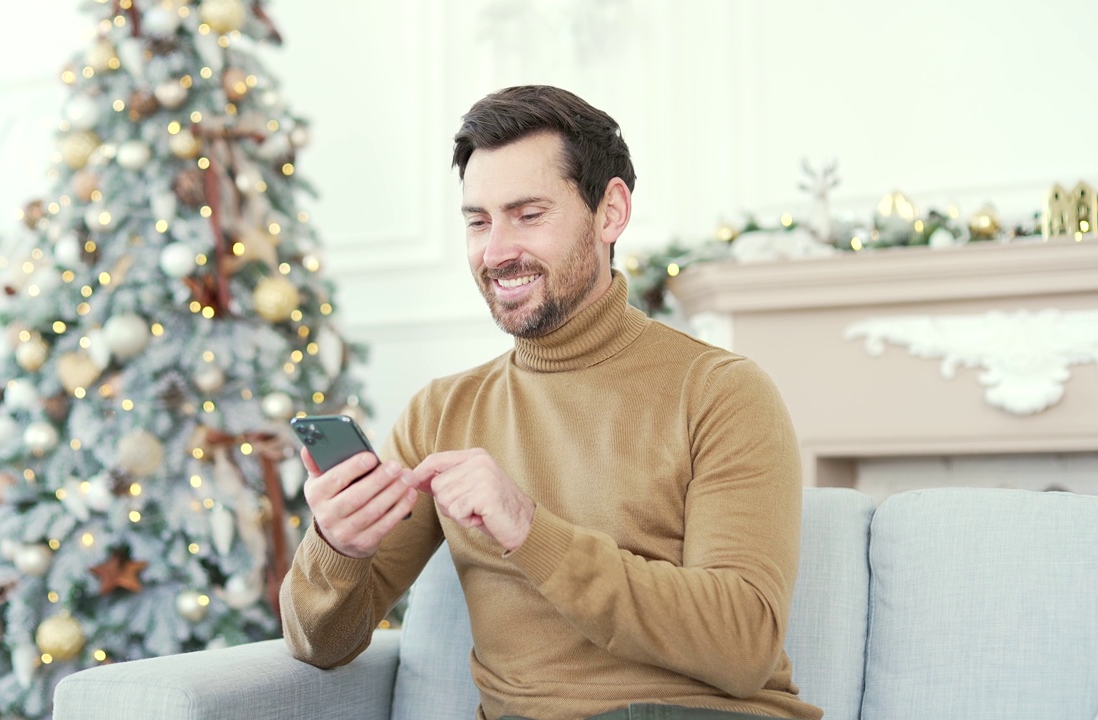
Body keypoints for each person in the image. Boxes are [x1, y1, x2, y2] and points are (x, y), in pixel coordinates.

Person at [280, 85, 822, 720]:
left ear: (610, 212)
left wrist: (529, 529)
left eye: (528, 215)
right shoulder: (441, 413)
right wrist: (337, 549)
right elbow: (320, 645)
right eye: (478, 221)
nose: (497, 251)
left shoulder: (721, 392)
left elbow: (743, 644)